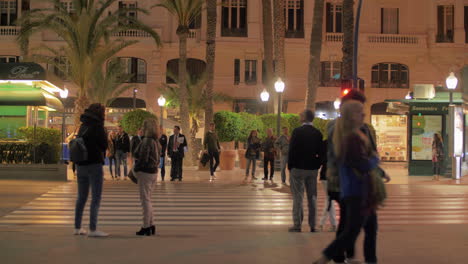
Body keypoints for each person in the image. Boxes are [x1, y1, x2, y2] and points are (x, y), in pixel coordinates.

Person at [313, 100, 380, 264]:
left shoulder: (355, 134)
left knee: (368, 228)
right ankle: (325, 257)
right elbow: (360, 164)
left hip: (358, 190)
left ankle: (370, 260)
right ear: (351, 117)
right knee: (352, 232)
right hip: (356, 191)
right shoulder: (350, 139)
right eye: (359, 112)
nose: (363, 115)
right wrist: (375, 160)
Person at [74, 103, 109, 237]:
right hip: (94, 164)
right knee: (95, 197)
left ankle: (77, 227)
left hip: (81, 164)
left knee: (81, 197)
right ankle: (92, 229)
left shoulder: (83, 126)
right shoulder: (98, 127)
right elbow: (104, 144)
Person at [287, 109, 324, 232]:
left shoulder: (297, 132)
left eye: (301, 114)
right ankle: (313, 225)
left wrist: (290, 166)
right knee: (312, 197)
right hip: (312, 169)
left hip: (297, 169)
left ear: (305, 118)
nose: (299, 115)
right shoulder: (317, 133)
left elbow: (291, 150)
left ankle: (297, 224)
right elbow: (321, 153)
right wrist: (317, 165)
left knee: (298, 197)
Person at [133, 118, 160, 236]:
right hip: (153, 172)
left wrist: (136, 169)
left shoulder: (146, 141)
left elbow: (143, 158)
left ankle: (146, 226)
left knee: (145, 200)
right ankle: (151, 224)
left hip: (145, 172)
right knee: (148, 199)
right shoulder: (156, 141)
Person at [318, 140, 337, 232]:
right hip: (335, 175)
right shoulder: (340, 143)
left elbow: (320, 159)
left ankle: (324, 223)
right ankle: (330, 224)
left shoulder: (324, 143)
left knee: (329, 199)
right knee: (329, 199)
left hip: (325, 174)